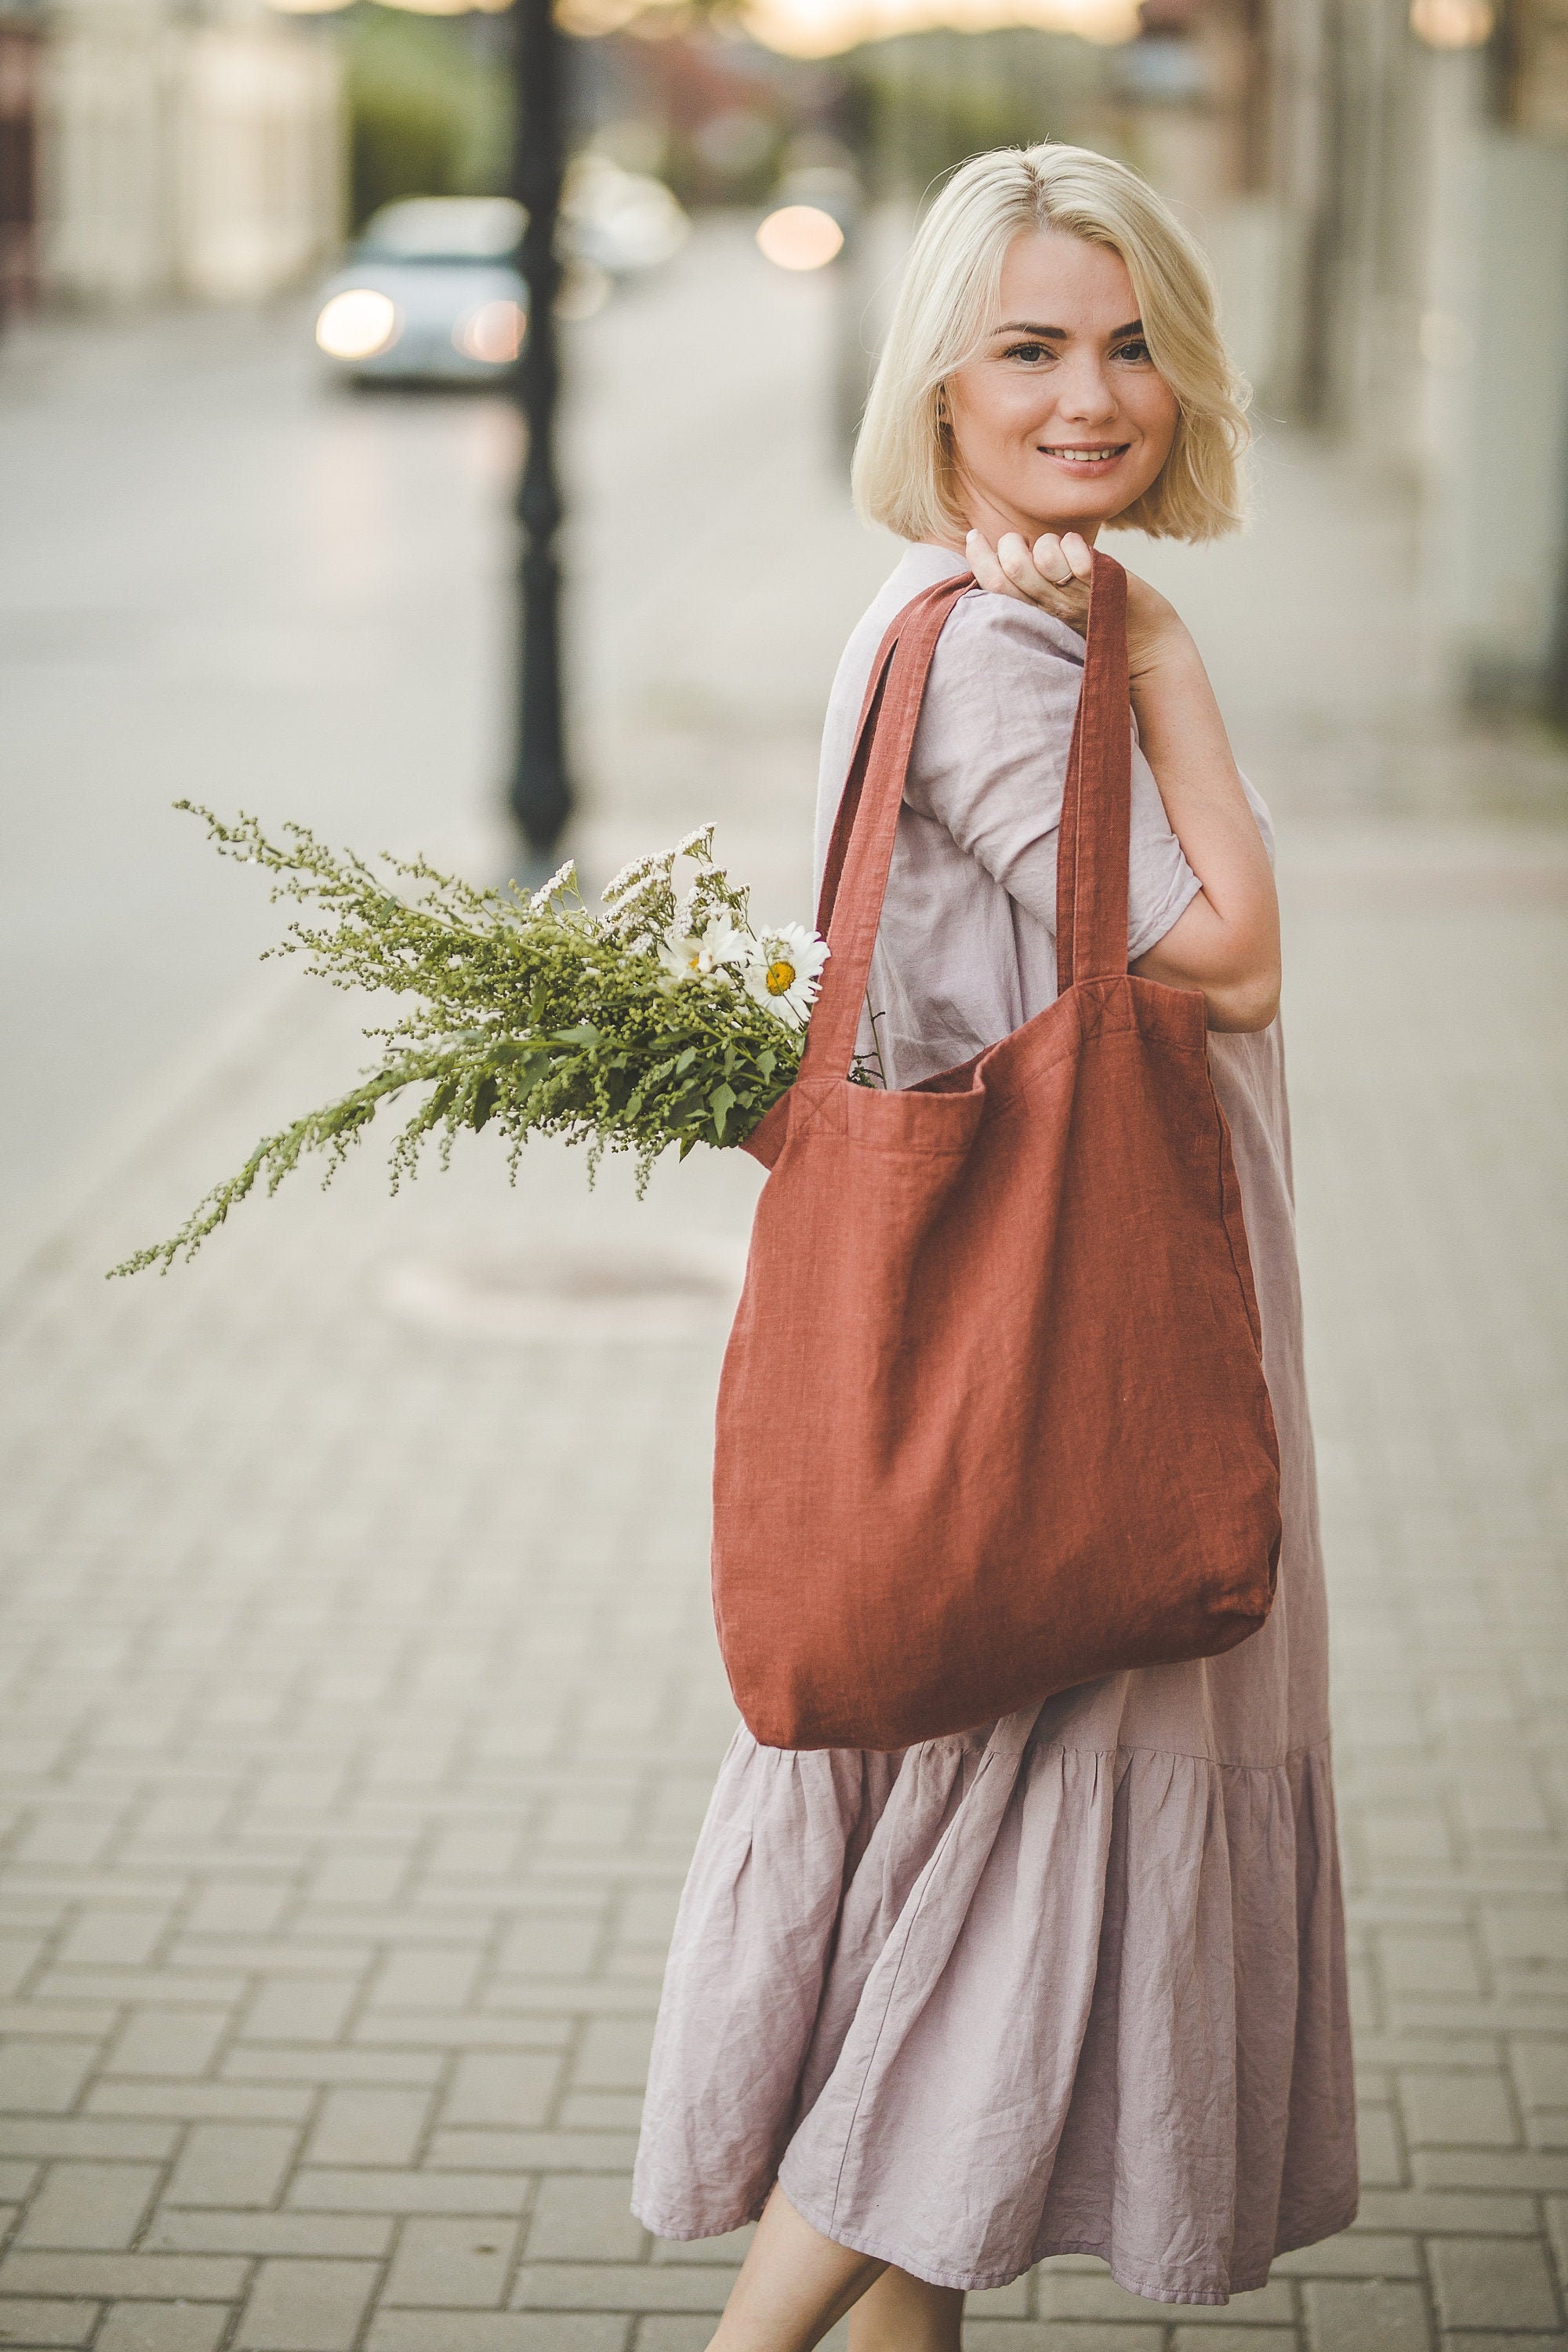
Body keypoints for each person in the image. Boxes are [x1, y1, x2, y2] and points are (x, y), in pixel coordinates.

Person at [630, 140, 1358, 2352]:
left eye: (1131, 344)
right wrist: (1170, 672)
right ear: (936, 377)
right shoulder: (1023, 648)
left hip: (982, 1367)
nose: (1092, 394)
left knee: (939, 1936)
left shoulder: (932, 608)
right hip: (1082, 1368)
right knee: (969, 2005)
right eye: (1029, 346)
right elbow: (1229, 960)